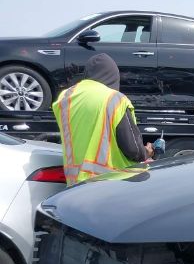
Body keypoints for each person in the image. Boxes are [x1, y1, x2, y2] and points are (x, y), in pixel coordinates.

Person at [52, 54, 153, 185]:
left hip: (75, 184)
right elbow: (134, 150)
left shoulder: (66, 97)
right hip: (111, 182)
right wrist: (147, 152)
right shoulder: (114, 99)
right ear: (113, 77)